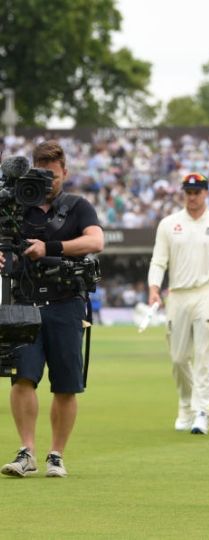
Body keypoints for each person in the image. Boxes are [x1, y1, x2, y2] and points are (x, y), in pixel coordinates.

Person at [1, 140, 104, 478]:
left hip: (66, 304)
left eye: (55, 177)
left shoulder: (78, 206)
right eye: (43, 176)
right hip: (24, 302)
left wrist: (50, 247)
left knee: (65, 385)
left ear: (65, 173)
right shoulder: (15, 207)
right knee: (23, 379)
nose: (49, 183)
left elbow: (95, 241)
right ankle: (26, 450)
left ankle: (56, 454)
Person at [147, 173, 209, 436]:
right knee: (178, 358)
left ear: (206, 193)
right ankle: (186, 405)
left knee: (204, 354)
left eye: (197, 192)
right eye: (188, 192)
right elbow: (158, 261)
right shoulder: (169, 224)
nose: (192, 197)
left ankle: (202, 411)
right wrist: (153, 289)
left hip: (207, 293)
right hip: (177, 295)